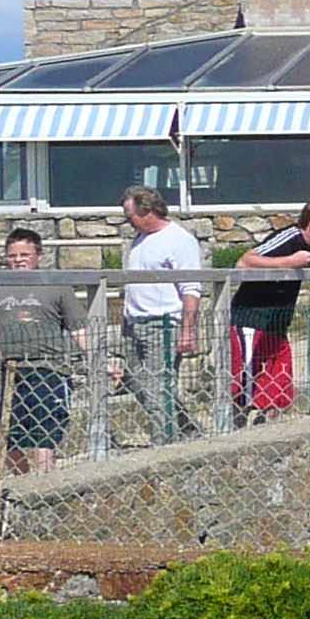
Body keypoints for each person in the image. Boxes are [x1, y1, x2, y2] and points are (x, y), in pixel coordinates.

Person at [0, 225, 82, 471]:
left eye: (25, 255)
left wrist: (98, 360)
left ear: (39, 257)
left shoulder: (57, 287)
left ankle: (45, 483)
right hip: (8, 371)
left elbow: (79, 329)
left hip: (48, 369)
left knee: (45, 434)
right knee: (9, 436)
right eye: (13, 256)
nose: (18, 261)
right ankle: (23, 483)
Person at [229, 196, 310, 420]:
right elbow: (245, 262)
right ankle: (234, 434)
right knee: (245, 389)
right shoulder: (288, 237)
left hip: (278, 325)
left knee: (280, 394)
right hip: (251, 320)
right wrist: (289, 262)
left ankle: (266, 434)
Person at [118, 185, 202, 442]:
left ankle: (163, 443)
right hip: (135, 323)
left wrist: (187, 331)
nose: (128, 222)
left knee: (157, 388)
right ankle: (189, 431)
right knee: (133, 380)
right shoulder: (140, 240)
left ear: (147, 211)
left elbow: (191, 288)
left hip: (163, 324)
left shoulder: (179, 240)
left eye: (130, 216)